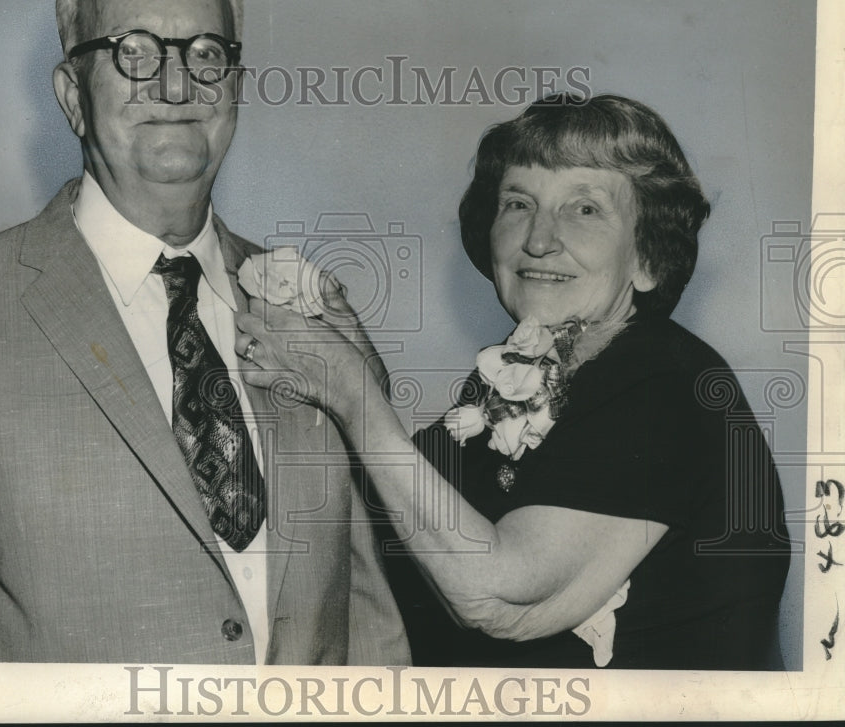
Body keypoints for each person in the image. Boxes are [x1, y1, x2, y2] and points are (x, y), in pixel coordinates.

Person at [0, 0, 409, 665]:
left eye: (206, 54)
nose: (177, 86)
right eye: (134, 53)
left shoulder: (307, 306)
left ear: (236, 90)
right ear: (72, 95)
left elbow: (367, 625)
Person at [235, 94, 791, 669]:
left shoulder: (664, 383)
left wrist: (353, 391)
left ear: (648, 258)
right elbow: (397, 516)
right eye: (519, 203)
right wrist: (348, 348)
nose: (539, 239)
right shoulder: (521, 377)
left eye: (585, 210)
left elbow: (496, 596)